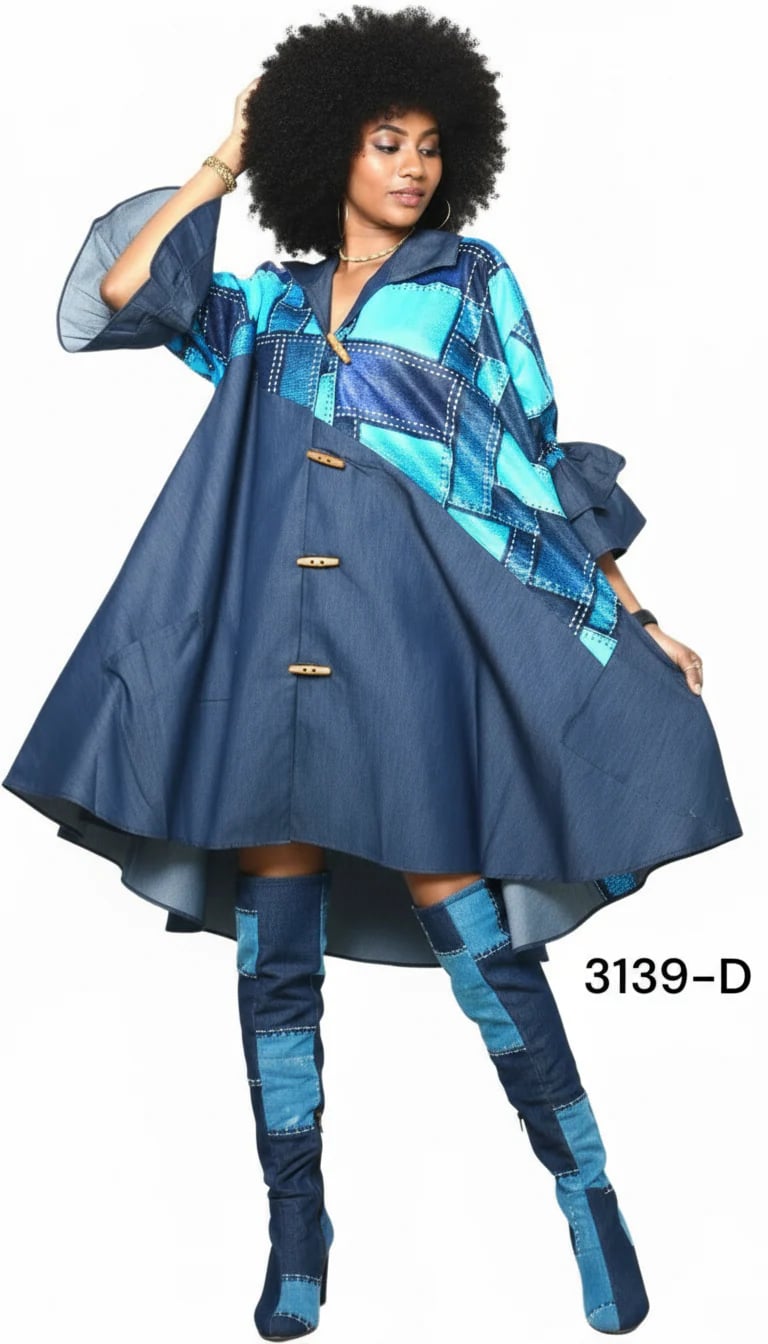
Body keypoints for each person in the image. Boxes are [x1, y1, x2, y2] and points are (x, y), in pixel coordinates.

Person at [3, 5, 742, 1339]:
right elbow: (122, 296)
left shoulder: (470, 281)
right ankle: (298, 1229)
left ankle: (587, 1193)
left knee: (474, 933)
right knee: (272, 952)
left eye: (429, 145)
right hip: (266, 656)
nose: (410, 164)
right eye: (383, 139)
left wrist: (633, 613)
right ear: (326, 147)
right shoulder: (265, 305)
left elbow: (532, 456)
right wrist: (223, 161)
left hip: (407, 654)